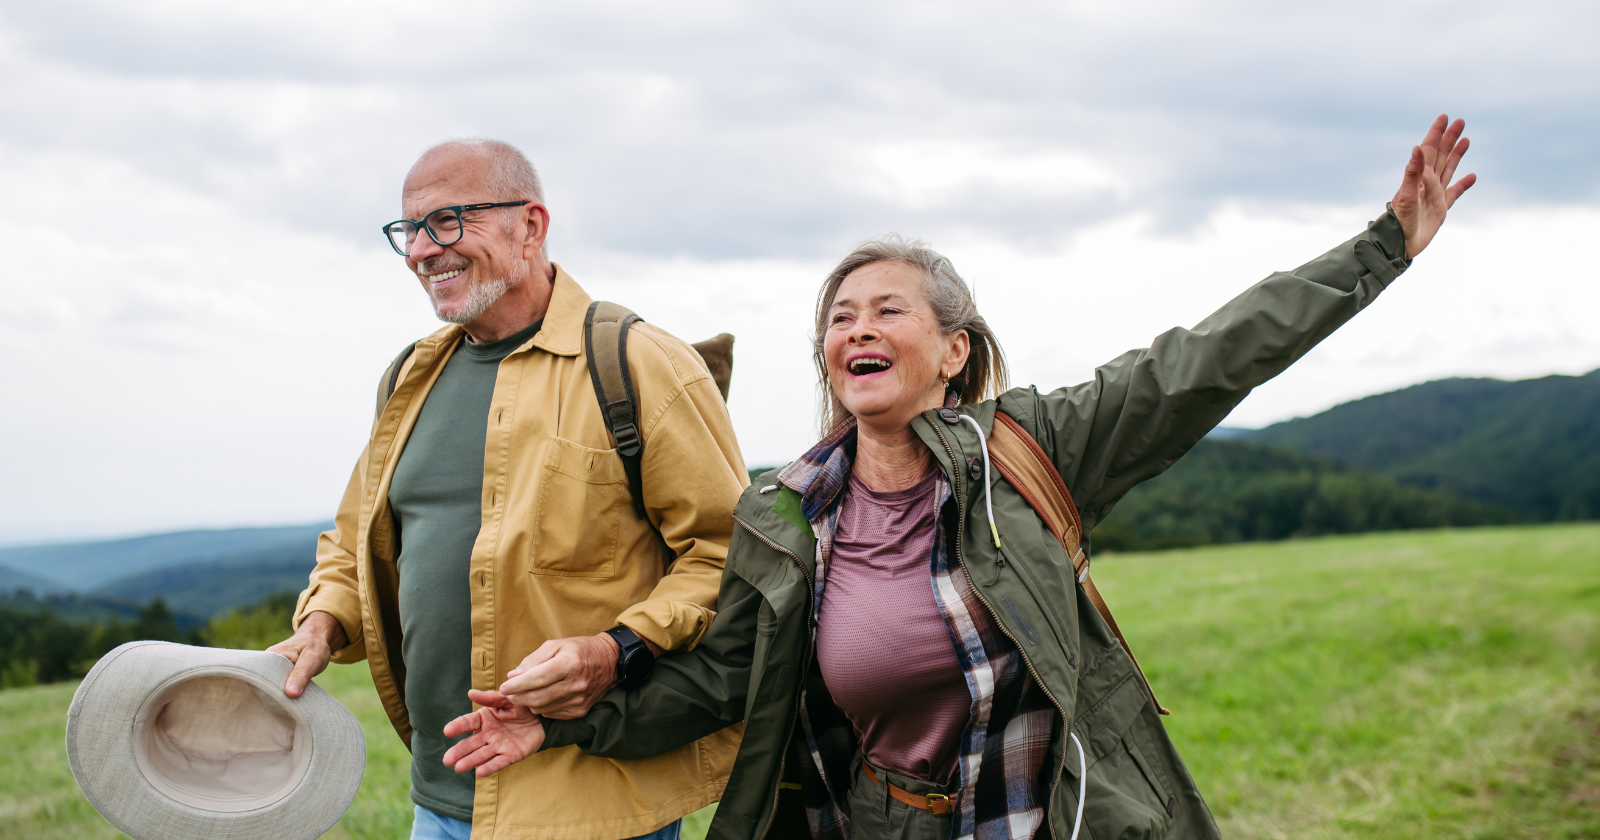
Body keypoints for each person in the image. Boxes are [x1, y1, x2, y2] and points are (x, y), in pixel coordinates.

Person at [440, 116, 1477, 840]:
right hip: (872, 820)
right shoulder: (788, 511)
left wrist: (1381, 248)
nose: (857, 329)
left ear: (952, 351)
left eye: (887, 310)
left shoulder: (1028, 450)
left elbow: (1202, 360)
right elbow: (722, 683)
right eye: (838, 319)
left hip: (1037, 810)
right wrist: (569, 718)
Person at [267, 139, 748, 840]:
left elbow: (726, 553)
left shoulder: (639, 363)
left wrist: (618, 648)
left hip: (589, 807)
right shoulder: (410, 377)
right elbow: (356, 536)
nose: (422, 252)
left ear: (531, 226)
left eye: (448, 221)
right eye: (410, 230)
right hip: (438, 800)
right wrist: (322, 623)